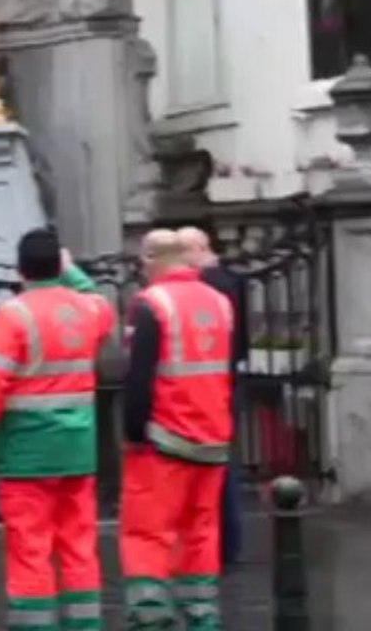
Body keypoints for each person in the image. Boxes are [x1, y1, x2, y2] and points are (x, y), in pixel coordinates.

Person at [0, 229, 115, 630]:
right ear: (59, 266)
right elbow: (95, 295)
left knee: (30, 553)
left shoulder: (10, 318)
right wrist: (71, 271)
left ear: (19, 270)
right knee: (79, 549)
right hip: (78, 453)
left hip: (27, 457)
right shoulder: (90, 311)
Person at [120, 229, 234, 630]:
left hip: (165, 438)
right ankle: (203, 615)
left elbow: (139, 377)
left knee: (148, 533)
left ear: (153, 261)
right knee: (201, 532)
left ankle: (152, 618)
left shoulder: (151, 304)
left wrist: (134, 433)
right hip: (213, 436)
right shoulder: (220, 303)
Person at [178, 226, 248, 571]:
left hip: (207, 386)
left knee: (210, 469)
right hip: (228, 379)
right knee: (222, 463)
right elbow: (243, 341)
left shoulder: (206, 287)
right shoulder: (233, 281)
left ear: (198, 249)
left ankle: (216, 544)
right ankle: (226, 543)